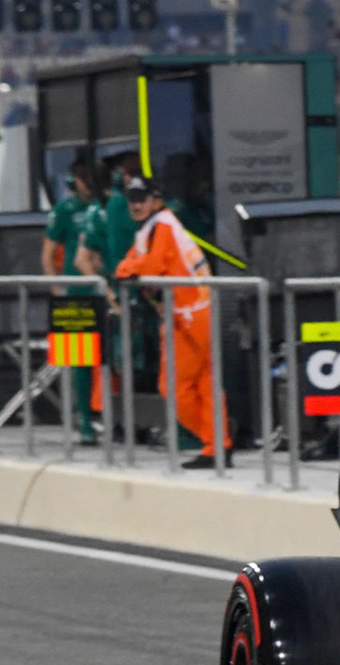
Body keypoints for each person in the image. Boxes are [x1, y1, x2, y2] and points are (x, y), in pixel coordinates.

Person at [114, 177, 220, 469]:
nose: (136, 205)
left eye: (142, 199)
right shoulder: (152, 228)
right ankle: (217, 443)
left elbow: (149, 266)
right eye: (132, 199)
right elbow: (129, 264)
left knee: (175, 386)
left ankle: (214, 440)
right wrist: (129, 268)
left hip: (190, 313)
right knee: (203, 385)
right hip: (189, 311)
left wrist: (129, 269)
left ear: (156, 200)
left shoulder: (162, 226)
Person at [43, 160, 101, 443]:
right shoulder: (64, 210)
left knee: (111, 359)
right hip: (77, 293)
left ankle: (112, 417)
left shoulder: (103, 206)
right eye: (82, 177)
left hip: (104, 289)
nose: (86, 183)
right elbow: (48, 255)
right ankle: (85, 420)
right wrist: (58, 290)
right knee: (79, 361)